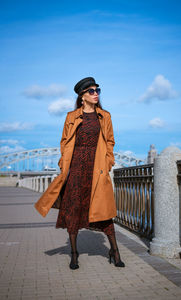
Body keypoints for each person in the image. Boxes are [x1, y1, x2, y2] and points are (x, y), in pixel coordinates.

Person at [34, 77, 125, 270]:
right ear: (82, 96)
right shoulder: (71, 116)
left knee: (104, 213)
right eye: (91, 91)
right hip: (75, 169)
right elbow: (64, 142)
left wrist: (108, 162)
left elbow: (110, 142)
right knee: (73, 211)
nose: (96, 94)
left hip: (97, 168)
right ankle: (74, 254)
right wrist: (63, 164)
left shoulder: (105, 116)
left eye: (97, 90)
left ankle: (114, 251)